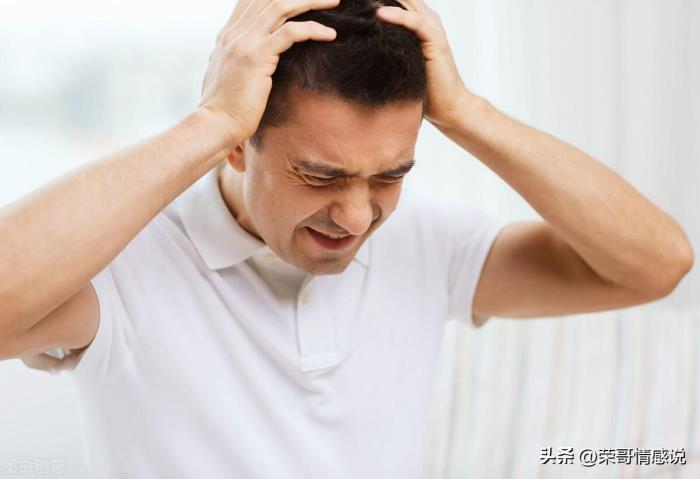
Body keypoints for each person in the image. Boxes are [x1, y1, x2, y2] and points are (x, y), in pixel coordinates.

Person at [0, 0, 694, 477]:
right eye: (319, 175)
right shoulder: (127, 266)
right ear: (239, 145)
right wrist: (209, 122)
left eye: (390, 175)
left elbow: (655, 265)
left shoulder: (428, 244)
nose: (358, 218)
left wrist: (468, 113)